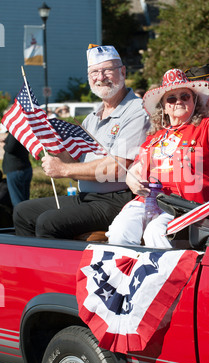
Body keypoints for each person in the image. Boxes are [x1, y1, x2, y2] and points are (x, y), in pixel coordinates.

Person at [13, 44, 150, 239]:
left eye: (107, 70)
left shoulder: (137, 110)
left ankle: (58, 269)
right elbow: (78, 171)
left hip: (119, 200)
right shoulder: (92, 118)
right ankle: (28, 268)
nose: (100, 77)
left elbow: (118, 168)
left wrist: (64, 169)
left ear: (123, 71)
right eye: (94, 72)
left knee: (48, 222)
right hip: (87, 197)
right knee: (23, 212)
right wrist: (56, 148)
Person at [107, 52, 209, 248]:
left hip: (187, 208)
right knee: (119, 232)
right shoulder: (155, 137)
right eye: (171, 99)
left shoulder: (206, 127)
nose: (178, 101)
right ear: (164, 108)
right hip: (147, 202)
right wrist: (133, 181)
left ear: (194, 102)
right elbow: (136, 169)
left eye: (185, 96)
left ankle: (166, 278)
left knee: (157, 233)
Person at [2, 132, 32, 206]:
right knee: (25, 201)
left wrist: (4, 145)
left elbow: (10, 148)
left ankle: (21, 217)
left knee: (18, 202)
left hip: (15, 170)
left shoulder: (15, 131)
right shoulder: (25, 131)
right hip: (25, 167)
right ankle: (27, 217)